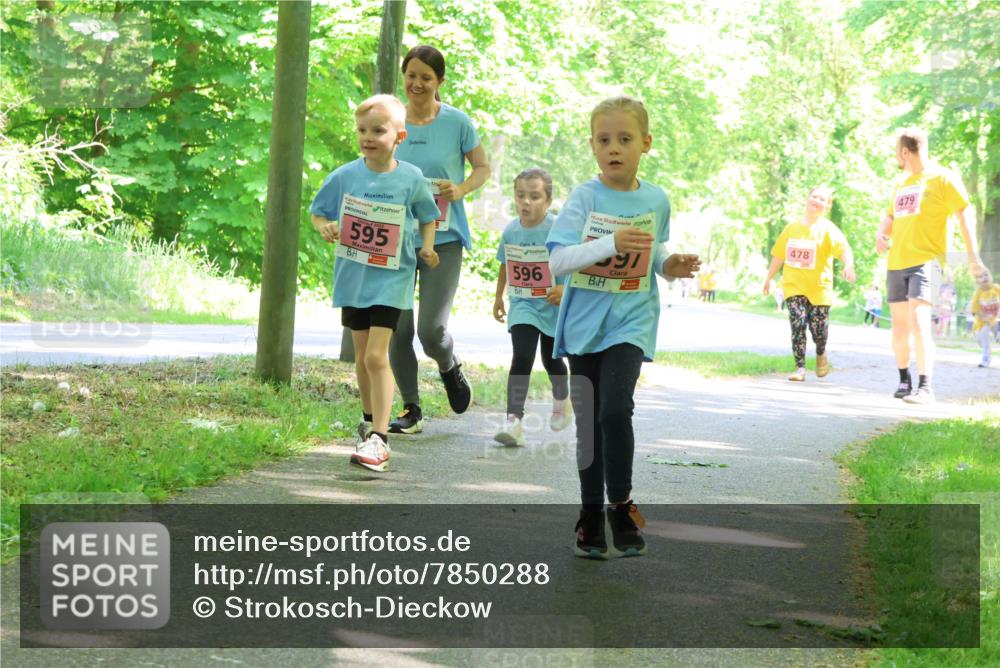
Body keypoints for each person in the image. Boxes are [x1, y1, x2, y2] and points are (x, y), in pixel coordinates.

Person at [546, 96, 700, 559]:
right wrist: (609, 242)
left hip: (631, 319)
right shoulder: (584, 198)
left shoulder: (655, 199)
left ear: (645, 144)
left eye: (625, 139)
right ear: (592, 146)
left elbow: (652, 252)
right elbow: (558, 261)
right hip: (583, 325)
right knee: (590, 424)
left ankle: (621, 506)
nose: (614, 148)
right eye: (604, 140)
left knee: (615, 410)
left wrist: (669, 265)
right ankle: (590, 515)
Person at [310, 94, 441, 472]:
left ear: (399, 136)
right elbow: (318, 212)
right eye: (362, 130)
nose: (368, 137)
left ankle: (380, 440)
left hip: (392, 278)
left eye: (378, 131)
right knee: (362, 355)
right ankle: (368, 421)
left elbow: (428, 216)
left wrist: (428, 247)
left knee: (374, 356)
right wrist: (326, 227)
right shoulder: (345, 176)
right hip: (353, 278)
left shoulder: (410, 177)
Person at [388, 45, 491, 434]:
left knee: (430, 331)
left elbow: (482, 167)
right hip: (396, 237)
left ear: (440, 81)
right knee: (397, 328)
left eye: (426, 78)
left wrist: (460, 189)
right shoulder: (391, 121)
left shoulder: (457, 122)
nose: (417, 84)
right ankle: (411, 409)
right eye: (411, 75)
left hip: (444, 236)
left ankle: (449, 366)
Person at [875, 127, 986, 404]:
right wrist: (881, 233)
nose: (896, 158)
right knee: (900, 328)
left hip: (927, 261)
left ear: (904, 152)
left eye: (897, 152)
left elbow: (964, 216)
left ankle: (926, 388)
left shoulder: (943, 178)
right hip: (897, 262)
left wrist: (973, 258)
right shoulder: (901, 184)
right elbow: (891, 217)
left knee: (919, 320)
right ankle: (904, 381)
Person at [492, 168, 571, 446]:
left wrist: (564, 289)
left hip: (553, 305)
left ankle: (562, 399)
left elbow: (573, 261)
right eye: (520, 195)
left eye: (535, 196)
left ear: (548, 201)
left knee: (551, 360)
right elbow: (506, 263)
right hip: (523, 303)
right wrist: (498, 296)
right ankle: (513, 420)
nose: (526, 202)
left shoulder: (557, 229)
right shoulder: (511, 231)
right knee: (522, 356)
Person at [763, 186, 856, 381]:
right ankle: (800, 368)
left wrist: (848, 265)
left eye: (822, 199)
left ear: (827, 206)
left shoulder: (828, 229)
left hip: (819, 288)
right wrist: (769, 278)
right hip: (793, 285)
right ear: (807, 198)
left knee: (818, 331)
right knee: (797, 324)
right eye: (814, 196)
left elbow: (844, 249)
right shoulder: (791, 228)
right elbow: (779, 255)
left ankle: (821, 352)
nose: (817, 201)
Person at [971, 270, 1000, 368]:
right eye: (981, 276)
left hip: (996, 320)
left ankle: (985, 359)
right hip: (982, 321)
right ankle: (987, 350)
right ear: (978, 281)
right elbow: (975, 309)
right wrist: (985, 318)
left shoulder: (996, 288)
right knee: (980, 339)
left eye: (986, 275)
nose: (984, 278)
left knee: (992, 335)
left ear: (991, 277)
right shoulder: (978, 293)